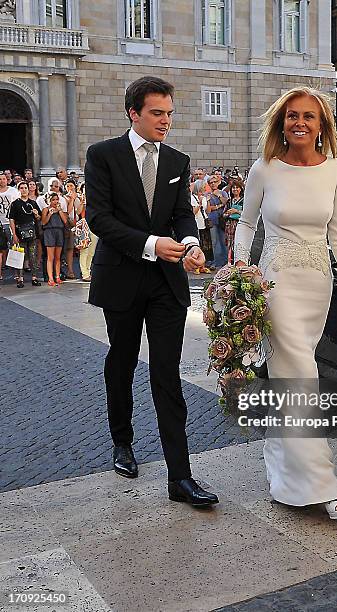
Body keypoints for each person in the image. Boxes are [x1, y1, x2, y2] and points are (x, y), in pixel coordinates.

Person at [85, 75, 219, 507]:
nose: (166, 121)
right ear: (134, 113)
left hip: (167, 283)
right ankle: (122, 440)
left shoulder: (178, 161)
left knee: (167, 373)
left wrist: (193, 244)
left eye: (170, 113)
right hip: (121, 277)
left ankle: (180, 477)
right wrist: (150, 245)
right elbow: (99, 220)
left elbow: (182, 216)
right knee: (121, 361)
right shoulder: (103, 155)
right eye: (157, 113)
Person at [234, 86, 337, 519]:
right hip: (275, 286)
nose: (300, 123)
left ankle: (284, 474)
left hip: (317, 284)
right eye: (292, 116)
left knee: (291, 376)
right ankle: (324, 483)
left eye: (309, 116)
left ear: (322, 126)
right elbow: (247, 224)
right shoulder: (265, 169)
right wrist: (240, 274)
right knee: (303, 376)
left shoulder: (335, 172)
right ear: (282, 123)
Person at [8, 181, 42, 288]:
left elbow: (39, 218)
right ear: (19, 190)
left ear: (28, 189)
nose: (24, 190)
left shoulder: (33, 203)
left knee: (33, 256)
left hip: (32, 233)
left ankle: (34, 278)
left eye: (25, 187)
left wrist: (36, 215)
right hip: (19, 233)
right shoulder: (15, 203)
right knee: (20, 256)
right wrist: (14, 234)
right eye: (21, 188)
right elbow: (11, 220)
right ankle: (20, 279)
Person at [41, 192, 68, 286]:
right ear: (49, 201)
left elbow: (65, 221)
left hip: (59, 231)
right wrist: (49, 214)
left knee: (58, 257)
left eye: (57, 199)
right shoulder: (46, 209)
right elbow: (43, 222)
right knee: (50, 257)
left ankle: (57, 276)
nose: (55, 201)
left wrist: (60, 211)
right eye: (53, 200)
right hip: (49, 232)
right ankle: (50, 278)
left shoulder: (60, 209)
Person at [75, 182, 98, 281]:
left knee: (92, 251)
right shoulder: (80, 199)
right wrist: (82, 202)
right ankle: (84, 274)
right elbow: (78, 212)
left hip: (94, 226)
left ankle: (88, 271)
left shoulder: (95, 199)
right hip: (84, 226)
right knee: (84, 250)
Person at [205, 174, 229, 269]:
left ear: (218, 182)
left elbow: (226, 203)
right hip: (212, 220)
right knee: (215, 242)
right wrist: (218, 206)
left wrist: (219, 196)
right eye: (211, 183)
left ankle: (226, 261)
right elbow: (208, 210)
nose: (213, 184)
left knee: (224, 240)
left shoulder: (223, 193)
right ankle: (217, 261)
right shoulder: (207, 195)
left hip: (222, 219)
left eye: (215, 182)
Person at [0, 172, 20, 280]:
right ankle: (3, 266)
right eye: (0, 179)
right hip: (0, 223)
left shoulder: (13, 191)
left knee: (14, 246)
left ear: (7, 179)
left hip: (10, 222)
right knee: (2, 248)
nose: (2, 181)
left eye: (3, 179)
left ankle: (16, 271)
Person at [190, 179, 212, 273]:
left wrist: (208, 201)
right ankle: (196, 266)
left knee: (205, 246)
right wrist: (199, 203)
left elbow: (208, 211)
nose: (204, 188)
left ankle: (202, 265)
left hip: (204, 224)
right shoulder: (191, 198)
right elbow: (193, 213)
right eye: (203, 187)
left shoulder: (204, 198)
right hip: (196, 224)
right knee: (197, 246)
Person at [64, 179, 81, 279]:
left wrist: (81, 201)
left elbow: (78, 211)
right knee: (69, 248)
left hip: (77, 223)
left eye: (71, 186)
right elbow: (68, 210)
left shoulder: (77, 197)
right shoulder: (64, 197)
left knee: (77, 247)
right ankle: (70, 270)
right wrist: (72, 199)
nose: (69, 188)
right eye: (68, 186)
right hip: (68, 224)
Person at [223, 178, 244, 263]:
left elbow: (247, 214)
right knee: (230, 244)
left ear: (240, 189)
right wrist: (227, 214)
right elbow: (223, 214)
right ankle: (230, 262)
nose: (235, 189)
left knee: (239, 243)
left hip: (239, 224)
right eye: (233, 188)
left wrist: (236, 211)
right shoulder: (229, 201)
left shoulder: (244, 200)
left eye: (237, 187)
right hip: (230, 224)